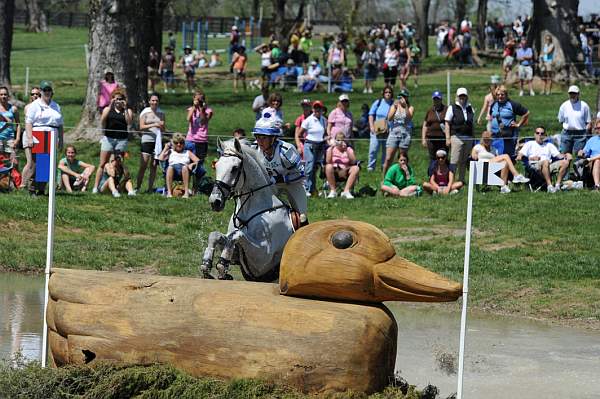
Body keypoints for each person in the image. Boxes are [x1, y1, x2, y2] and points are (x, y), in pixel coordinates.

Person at [251, 110, 307, 223]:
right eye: (257, 137)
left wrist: (280, 179)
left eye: (263, 138)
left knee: (302, 218)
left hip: (293, 185)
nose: (259, 141)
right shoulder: (254, 148)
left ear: (273, 138)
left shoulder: (286, 151)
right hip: (272, 186)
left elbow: (302, 173)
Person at [24, 80, 64, 195]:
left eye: (49, 90)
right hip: (38, 134)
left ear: (52, 92)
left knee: (46, 164)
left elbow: (60, 125)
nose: (47, 92)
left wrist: (61, 140)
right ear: (41, 91)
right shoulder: (35, 105)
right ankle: (31, 189)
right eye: (44, 90)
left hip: (52, 135)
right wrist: (30, 138)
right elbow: (28, 123)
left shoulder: (56, 105)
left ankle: (41, 189)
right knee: (36, 164)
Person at [93, 88, 133, 193]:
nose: (118, 101)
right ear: (113, 99)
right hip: (109, 139)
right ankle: (95, 187)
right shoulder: (107, 109)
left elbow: (129, 122)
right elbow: (102, 120)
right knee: (102, 163)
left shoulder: (127, 111)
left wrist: (125, 109)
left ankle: (117, 186)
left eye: (121, 99)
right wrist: (110, 106)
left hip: (121, 140)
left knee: (119, 163)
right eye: (116, 99)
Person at [517, 126, 571, 193]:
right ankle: (549, 186)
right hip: (534, 166)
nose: (540, 135)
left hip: (548, 165)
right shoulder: (529, 144)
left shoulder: (549, 145)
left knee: (565, 163)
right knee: (545, 162)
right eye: (537, 133)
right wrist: (531, 158)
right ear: (534, 134)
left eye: (542, 133)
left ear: (545, 135)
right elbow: (519, 156)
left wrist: (567, 155)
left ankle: (557, 185)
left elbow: (559, 156)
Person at [488, 85, 529, 157]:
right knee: (496, 156)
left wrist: (519, 124)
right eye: (498, 95)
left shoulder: (512, 104)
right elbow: (492, 115)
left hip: (508, 136)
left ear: (506, 95)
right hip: (495, 135)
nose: (500, 96)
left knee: (507, 157)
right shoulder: (494, 104)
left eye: (502, 94)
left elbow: (526, 113)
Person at [444, 87, 474, 183]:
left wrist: (473, 138)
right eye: (460, 96)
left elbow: (471, 124)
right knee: (454, 160)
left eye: (464, 96)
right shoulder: (452, 107)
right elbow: (447, 123)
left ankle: (461, 180)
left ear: (466, 96)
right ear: (457, 96)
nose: (462, 97)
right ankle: (451, 181)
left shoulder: (470, 108)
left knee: (464, 161)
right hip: (456, 137)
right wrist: (447, 138)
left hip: (468, 138)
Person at [136, 93, 165, 193]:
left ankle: (150, 189)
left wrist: (161, 127)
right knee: (143, 165)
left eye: (156, 100)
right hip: (146, 140)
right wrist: (154, 124)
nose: (155, 102)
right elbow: (141, 127)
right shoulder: (145, 112)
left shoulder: (161, 113)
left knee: (153, 166)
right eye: (153, 100)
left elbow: (163, 128)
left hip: (157, 142)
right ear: (149, 101)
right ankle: (138, 187)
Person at [298, 101, 328, 196]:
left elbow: (325, 133)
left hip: (320, 145)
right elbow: (300, 134)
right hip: (310, 145)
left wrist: (325, 138)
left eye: (319, 108)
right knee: (309, 167)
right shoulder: (308, 120)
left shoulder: (324, 120)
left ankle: (312, 189)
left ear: (322, 109)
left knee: (315, 168)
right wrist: (304, 143)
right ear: (313, 109)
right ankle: (305, 188)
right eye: (315, 108)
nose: (317, 110)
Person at [158, 134, 201, 198]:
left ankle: (186, 193)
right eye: (176, 143)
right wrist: (165, 148)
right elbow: (160, 158)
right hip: (173, 171)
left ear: (184, 144)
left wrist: (192, 164)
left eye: (181, 143)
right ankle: (169, 193)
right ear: (173, 144)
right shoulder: (170, 151)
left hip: (185, 170)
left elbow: (198, 160)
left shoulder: (187, 152)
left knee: (184, 167)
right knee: (170, 167)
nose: (179, 144)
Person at [384, 89, 413, 175]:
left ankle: (402, 177)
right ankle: (385, 178)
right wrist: (395, 107)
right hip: (394, 134)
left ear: (407, 98)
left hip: (405, 134)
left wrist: (405, 107)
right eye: (400, 96)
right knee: (388, 158)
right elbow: (389, 118)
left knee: (402, 159)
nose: (402, 98)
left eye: (404, 96)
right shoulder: (394, 106)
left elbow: (408, 119)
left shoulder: (410, 107)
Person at [557, 85, 591, 155]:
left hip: (580, 134)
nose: (572, 95)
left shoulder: (584, 106)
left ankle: (577, 166)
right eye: (570, 93)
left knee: (579, 155)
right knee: (564, 155)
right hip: (567, 133)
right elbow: (561, 120)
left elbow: (588, 121)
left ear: (578, 94)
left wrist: (585, 132)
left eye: (574, 93)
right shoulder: (564, 105)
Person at [324, 132, 360, 199]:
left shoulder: (349, 149)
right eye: (338, 140)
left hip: (345, 171)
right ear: (335, 140)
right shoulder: (331, 149)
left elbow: (354, 161)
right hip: (334, 171)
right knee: (328, 166)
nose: (340, 142)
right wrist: (331, 147)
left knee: (356, 168)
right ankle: (333, 191)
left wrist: (346, 149)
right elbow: (328, 161)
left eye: (342, 140)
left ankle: (346, 191)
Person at [368, 86, 394, 172]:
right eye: (386, 92)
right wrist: (371, 126)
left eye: (389, 92)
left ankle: (384, 167)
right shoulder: (378, 102)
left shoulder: (394, 104)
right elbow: (371, 114)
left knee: (386, 151)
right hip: (377, 129)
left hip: (389, 131)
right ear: (383, 93)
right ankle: (371, 167)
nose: (388, 94)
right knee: (373, 149)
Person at [185, 91, 213, 170]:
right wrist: (194, 107)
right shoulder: (191, 109)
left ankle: (198, 181)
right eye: (197, 99)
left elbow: (203, 121)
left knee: (199, 164)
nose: (198, 101)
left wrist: (202, 109)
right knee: (188, 163)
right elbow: (188, 118)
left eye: (200, 99)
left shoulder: (208, 111)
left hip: (202, 140)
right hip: (190, 139)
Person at [19, 87, 40, 190]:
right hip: (28, 135)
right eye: (32, 94)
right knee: (30, 161)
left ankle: (30, 185)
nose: (35, 96)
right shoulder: (28, 107)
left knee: (35, 163)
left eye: (37, 94)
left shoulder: (42, 106)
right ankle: (22, 184)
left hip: (38, 136)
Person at [421, 90, 448, 163]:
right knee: (432, 159)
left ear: (441, 99)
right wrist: (423, 138)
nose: (436, 101)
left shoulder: (446, 109)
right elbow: (425, 125)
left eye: (438, 99)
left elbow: (450, 123)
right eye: (435, 99)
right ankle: (432, 173)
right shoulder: (430, 110)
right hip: (431, 139)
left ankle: (444, 173)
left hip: (443, 139)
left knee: (443, 157)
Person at [0, 86, 21, 165]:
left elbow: (18, 124)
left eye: (5, 94)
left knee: (14, 163)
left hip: (10, 139)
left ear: (8, 96)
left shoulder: (13, 109)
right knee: (1, 164)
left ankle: (14, 177)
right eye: (1, 94)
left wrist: (17, 138)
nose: (3, 96)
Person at [577, 119, 600, 190]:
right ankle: (597, 186)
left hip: (591, 159)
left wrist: (589, 159)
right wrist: (581, 153)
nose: (598, 130)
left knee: (597, 160)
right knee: (597, 161)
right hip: (593, 164)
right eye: (597, 128)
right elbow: (585, 153)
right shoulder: (592, 140)